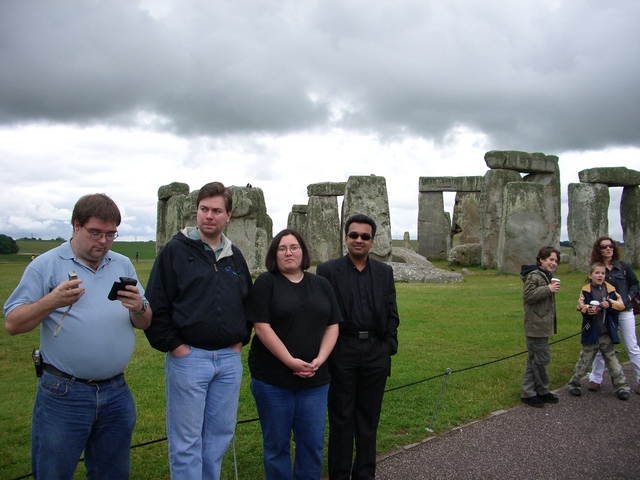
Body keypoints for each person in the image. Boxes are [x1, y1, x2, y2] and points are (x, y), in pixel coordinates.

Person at [3, 193, 152, 479]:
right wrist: (51, 301)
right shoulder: (45, 265)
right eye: (95, 232)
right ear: (76, 226)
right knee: (54, 472)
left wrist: (139, 307)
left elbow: (145, 322)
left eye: (111, 234)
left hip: (116, 392)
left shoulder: (122, 264)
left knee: (112, 473)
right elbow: (12, 323)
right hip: (64, 394)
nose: (103, 241)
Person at [143, 181, 252, 480]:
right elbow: (157, 303)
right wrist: (175, 346)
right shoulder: (175, 251)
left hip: (228, 361)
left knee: (218, 435)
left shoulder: (234, 255)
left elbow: (247, 302)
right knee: (187, 441)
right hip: (189, 358)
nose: (209, 216)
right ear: (196, 211)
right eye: (204, 209)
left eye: (217, 211)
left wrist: (240, 341)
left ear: (228, 215)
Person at [247, 229, 342, 479]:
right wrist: (290, 361)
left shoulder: (321, 284)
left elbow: (333, 324)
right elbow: (261, 326)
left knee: (312, 446)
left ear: (303, 251)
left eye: (294, 247)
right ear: (274, 254)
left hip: (315, 380)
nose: (289, 252)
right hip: (273, 380)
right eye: (282, 248)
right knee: (276, 447)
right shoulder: (267, 283)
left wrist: (320, 359)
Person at [316, 214, 400, 480]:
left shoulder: (384, 271)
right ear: (345, 238)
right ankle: (339, 475)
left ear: (373, 241)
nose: (359, 240)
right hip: (342, 349)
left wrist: (388, 345)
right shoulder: (328, 271)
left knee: (368, 419)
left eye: (365, 236)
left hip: (375, 350)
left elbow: (391, 312)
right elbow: (323, 315)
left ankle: (364, 474)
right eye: (353, 235)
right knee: (341, 419)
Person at [568, 262, 630, 399]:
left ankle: (621, 386)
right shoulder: (586, 290)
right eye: (597, 273)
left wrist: (610, 303)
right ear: (590, 275)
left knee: (613, 362)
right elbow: (580, 305)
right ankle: (574, 384)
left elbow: (621, 305)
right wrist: (587, 310)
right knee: (584, 360)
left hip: (607, 332)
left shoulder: (611, 289)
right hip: (592, 332)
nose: (600, 275)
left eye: (602, 273)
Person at [587, 236, 640, 394]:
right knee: (601, 346)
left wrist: (628, 297)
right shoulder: (596, 268)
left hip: (624, 310)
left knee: (632, 346)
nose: (608, 249)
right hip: (605, 313)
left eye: (610, 246)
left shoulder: (623, 266)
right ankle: (596, 379)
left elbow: (635, 283)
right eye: (604, 247)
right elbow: (589, 288)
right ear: (599, 250)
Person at [519, 246, 561, 408]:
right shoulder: (534, 276)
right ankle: (537, 392)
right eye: (551, 259)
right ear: (541, 259)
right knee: (542, 360)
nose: (554, 263)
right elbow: (528, 296)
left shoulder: (545, 276)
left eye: (556, 261)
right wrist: (548, 289)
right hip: (536, 325)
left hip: (542, 324)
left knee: (535, 360)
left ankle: (533, 392)